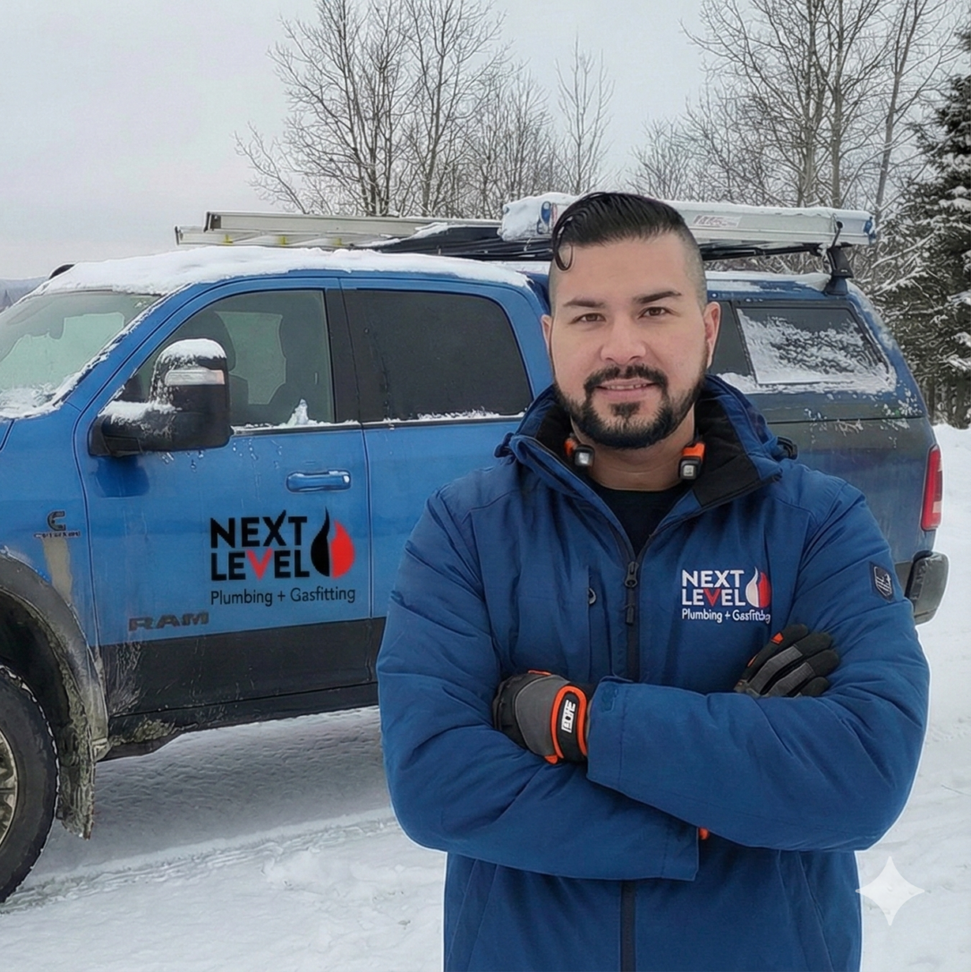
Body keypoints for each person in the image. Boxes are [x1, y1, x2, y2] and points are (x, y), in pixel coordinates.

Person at [376, 192, 929, 971]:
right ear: (551, 338)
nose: (621, 346)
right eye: (589, 316)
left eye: (655, 311)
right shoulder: (467, 531)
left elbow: (864, 774)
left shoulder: (817, 526)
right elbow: (435, 781)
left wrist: (582, 726)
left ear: (706, 329)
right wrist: (707, 803)